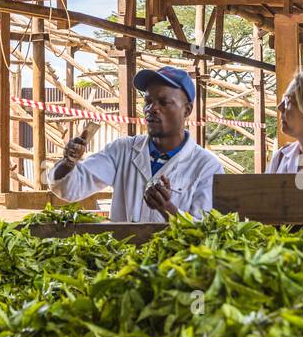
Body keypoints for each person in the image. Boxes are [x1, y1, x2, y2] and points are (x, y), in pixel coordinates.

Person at [46, 67, 223, 222]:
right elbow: (70, 189)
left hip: (175, 261)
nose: (152, 109)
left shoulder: (207, 167)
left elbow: (206, 232)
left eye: (164, 102)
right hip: (123, 259)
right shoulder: (122, 151)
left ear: (187, 110)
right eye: (148, 102)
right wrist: (68, 163)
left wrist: (167, 209)